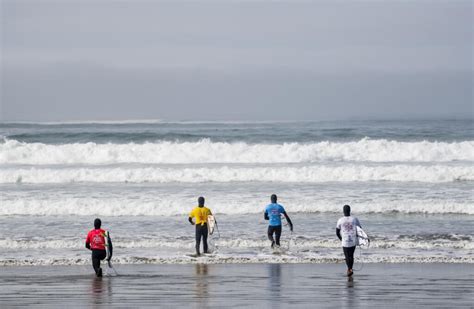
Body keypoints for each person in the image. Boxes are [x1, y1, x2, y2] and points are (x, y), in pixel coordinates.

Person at [336, 205, 362, 277]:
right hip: (353, 240)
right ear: (350, 210)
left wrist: (341, 239)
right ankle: (350, 269)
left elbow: (337, 232)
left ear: (343, 211)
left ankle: (349, 269)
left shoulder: (340, 220)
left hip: (345, 241)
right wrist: (360, 239)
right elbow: (360, 229)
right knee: (351, 256)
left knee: (347, 256)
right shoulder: (355, 219)